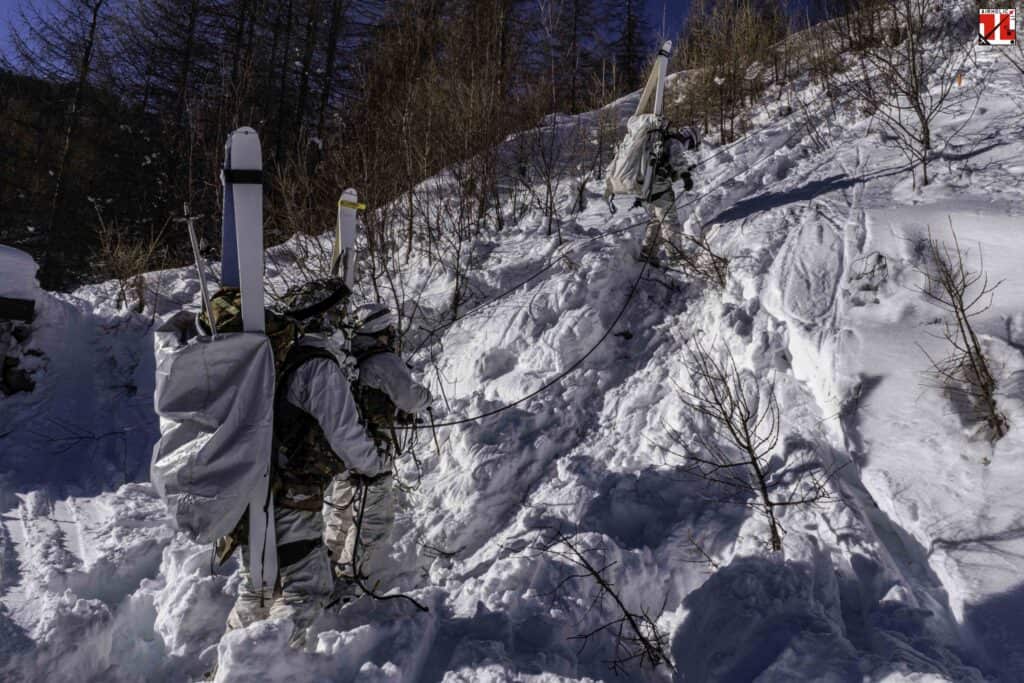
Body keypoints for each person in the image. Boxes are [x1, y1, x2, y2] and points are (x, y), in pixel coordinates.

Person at [224, 277, 383, 648]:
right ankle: (261, 669)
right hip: (290, 499)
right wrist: (372, 466)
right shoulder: (318, 368)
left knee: (260, 589)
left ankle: (226, 665)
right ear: (325, 319)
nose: (344, 323)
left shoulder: (276, 359)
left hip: (254, 492)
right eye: (339, 314)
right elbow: (346, 434)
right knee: (304, 591)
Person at [324, 302, 432, 599]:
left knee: (341, 513)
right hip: (372, 452)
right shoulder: (384, 360)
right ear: (381, 330)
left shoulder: (347, 359)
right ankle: (353, 578)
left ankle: (325, 568)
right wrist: (426, 397)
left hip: (344, 450)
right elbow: (411, 398)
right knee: (371, 518)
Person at [641, 125, 701, 264]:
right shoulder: (675, 142)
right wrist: (685, 175)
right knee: (669, 219)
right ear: (690, 138)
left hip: (645, 183)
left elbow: (667, 168)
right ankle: (675, 256)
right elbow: (677, 159)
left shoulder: (664, 140)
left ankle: (647, 252)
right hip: (658, 185)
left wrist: (682, 172)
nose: (689, 148)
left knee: (656, 218)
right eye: (691, 145)